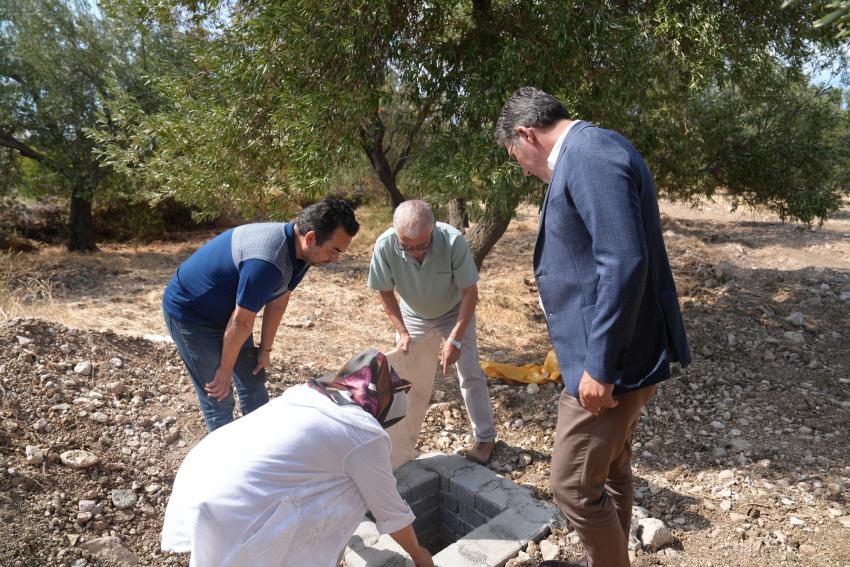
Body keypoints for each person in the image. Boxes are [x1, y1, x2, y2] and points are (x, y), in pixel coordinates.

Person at [495, 87, 692, 567]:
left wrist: (600, 366)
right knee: (612, 465)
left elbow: (623, 261)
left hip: (612, 362)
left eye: (516, 158)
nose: (524, 169)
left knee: (573, 487)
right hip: (618, 351)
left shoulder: (588, 154)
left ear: (526, 134)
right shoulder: (592, 148)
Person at [161, 349, 434, 567]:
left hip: (205, 469)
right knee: (352, 490)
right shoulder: (364, 434)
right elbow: (390, 511)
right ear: (380, 408)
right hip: (236, 502)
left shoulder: (313, 395)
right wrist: (419, 555)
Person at [162, 197, 359, 432]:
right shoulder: (268, 261)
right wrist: (224, 370)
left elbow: (279, 301)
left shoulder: (302, 253)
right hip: (191, 314)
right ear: (311, 238)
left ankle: (261, 444)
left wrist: (265, 350)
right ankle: (229, 455)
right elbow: (241, 322)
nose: (336, 259)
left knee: (254, 384)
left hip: (231, 313)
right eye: (334, 250)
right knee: (219, 396)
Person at [367, 200, 497, 464]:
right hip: (413, 315)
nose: (414, 253)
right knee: (403, 376)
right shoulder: (385, 245)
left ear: (433, 230)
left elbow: (470, 293)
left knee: (470, 373)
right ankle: (399, 445)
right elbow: (385, 292)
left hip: (454, 311)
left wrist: (455, 338)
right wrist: (402, 331)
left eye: (421, 246)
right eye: (406, 247)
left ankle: (485, 438)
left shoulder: (453, 241)